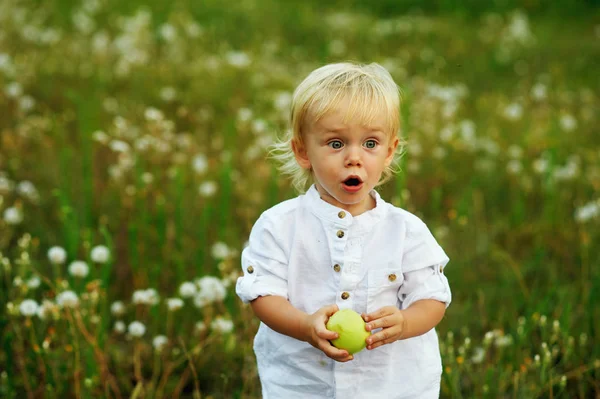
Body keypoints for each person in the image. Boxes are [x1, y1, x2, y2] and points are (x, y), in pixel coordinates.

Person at [236, 62, 451, 398]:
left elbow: (432, 298)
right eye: (336, 144)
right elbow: (264, 295)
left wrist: (405, 322)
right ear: (303, 152)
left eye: (370, 144)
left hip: (391, 385)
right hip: (304, 383)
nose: (354, 158)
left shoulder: (406, 230)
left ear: (390, 151)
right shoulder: (279, 226)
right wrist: (305, 327)